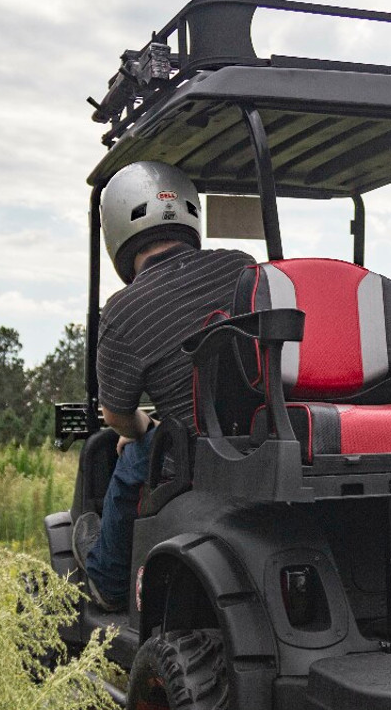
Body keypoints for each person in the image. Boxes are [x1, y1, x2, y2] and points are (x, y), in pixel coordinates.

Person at [71, 161, 254, 610]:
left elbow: (116, 416)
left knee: (135, 448)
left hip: (193, 457)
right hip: (261, 434)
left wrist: (141, 427)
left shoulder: (125, 309)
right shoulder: (242, 267)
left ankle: (109, 579)